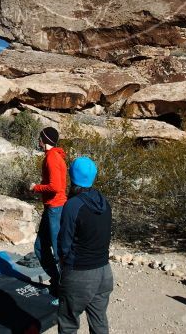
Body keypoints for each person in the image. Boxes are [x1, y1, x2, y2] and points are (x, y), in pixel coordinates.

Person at [57, 157, 113, 334]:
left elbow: (64, 243)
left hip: (79, 274)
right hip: (104, 272)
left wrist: (63, 264)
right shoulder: (104, 202)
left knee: (68, 323)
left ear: (71, 176)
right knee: (99, 322)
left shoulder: (73, 205)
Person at [29, 126, 67, 296]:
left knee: (58, 250)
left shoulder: (52, 158)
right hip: (51, 207)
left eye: (40, 137)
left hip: (55, 208)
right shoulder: (55, 156)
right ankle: (57, 281)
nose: (38, 140)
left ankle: (64, 287)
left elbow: (55, 187)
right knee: (40, 246)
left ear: (45, 140)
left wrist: (35, 187)